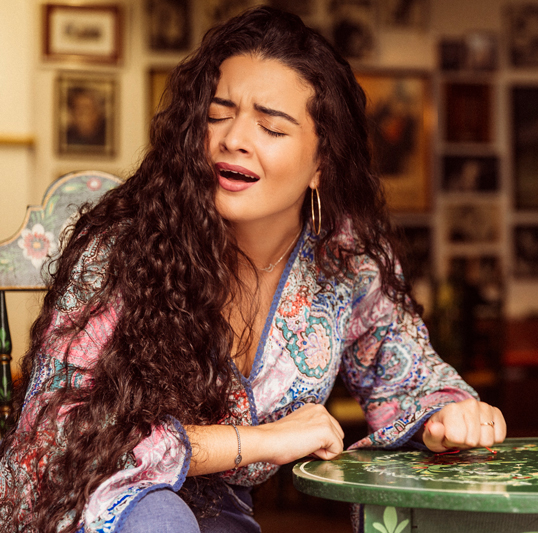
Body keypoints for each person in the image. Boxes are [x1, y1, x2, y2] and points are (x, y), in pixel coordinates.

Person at [0, 6, 505, 533]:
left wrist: (452, 415)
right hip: (79, 508)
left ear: (321, 164)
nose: (233, 138)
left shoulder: (343, 258)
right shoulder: (124, 248)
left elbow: (407, 375)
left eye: (270, 126)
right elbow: (61, 436)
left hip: (217, 518)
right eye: (218, 113)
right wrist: (262, 441)